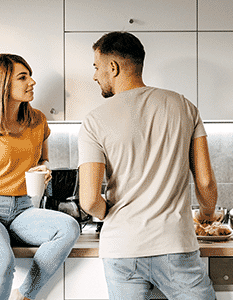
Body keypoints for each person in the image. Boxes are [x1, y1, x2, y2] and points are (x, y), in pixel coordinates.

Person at [77, 31, 219, 299]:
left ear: (113, 67)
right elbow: (206, 182)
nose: (95, 75)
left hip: (122, 247)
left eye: (96, 67)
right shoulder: (184, 106)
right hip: (175, 243)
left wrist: (112, 214)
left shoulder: (94, 120)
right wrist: (206, 216)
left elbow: (89, 201)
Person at [0, 53, 80, 300]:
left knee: (68, 227)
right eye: (23, 77)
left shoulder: (37, 120)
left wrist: (44, 169)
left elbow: (42, 160)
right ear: (2, 84)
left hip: (22, 209)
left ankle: (25, 295)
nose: (32, 82)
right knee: (1, 263)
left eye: (30, 75)